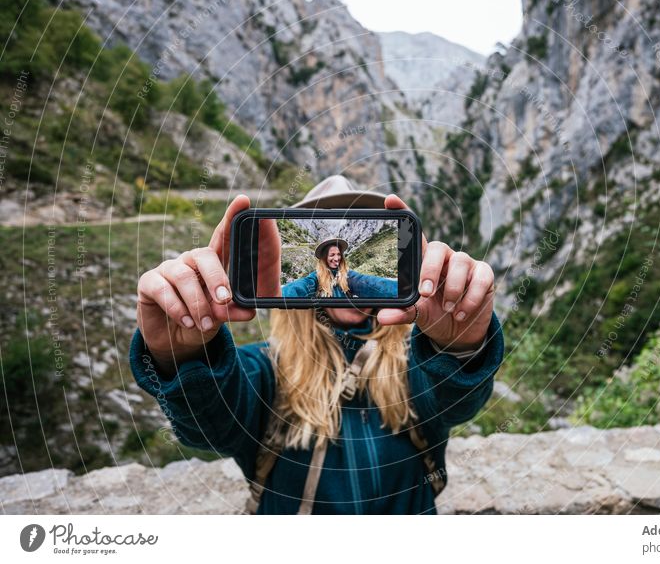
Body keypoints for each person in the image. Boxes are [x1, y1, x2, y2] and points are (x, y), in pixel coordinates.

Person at [129, 175, 504, 514]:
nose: (339, 257)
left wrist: (457, 344)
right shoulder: (264, 372)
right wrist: (186, 355)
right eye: (331, 246)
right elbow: (208, 426)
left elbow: (455, 400)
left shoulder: (417, 363)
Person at [282, 236, 397, 298]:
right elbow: (301, 287)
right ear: (324, 258)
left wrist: (402, 291)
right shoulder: (315, 278)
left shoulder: (348, 276)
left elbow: (368, 283)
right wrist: (281, 296)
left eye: (338, 254)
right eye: (332, 255)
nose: (336, 258)